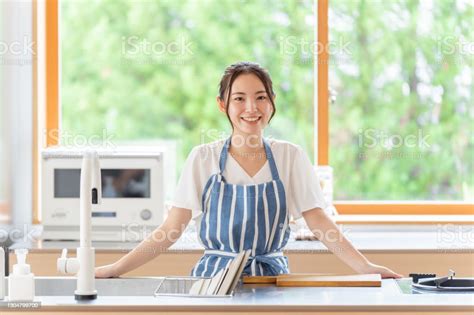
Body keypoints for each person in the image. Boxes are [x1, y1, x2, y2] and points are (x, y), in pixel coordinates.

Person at [96, 61, 402, 278]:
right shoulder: (202, 158)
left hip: (272, 282)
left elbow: (319, 221)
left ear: (272, 103)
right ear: (223, 105)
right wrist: (114, 269)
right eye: (239, 99)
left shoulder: (290, 157)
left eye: (260, 98)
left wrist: (365, 267)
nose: (251, 109)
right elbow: (170, 230)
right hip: (212, 284)